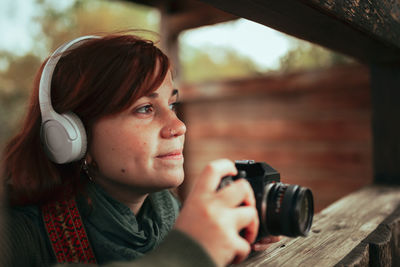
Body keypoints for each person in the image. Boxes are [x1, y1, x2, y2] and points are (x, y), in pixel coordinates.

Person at [0, 32, 278, 267]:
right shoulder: (18, 237)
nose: (179, 126)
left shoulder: (174, 215)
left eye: (172, 105)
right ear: (73, 137)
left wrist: (228, 249)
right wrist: (189, 253)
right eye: (145, 108)